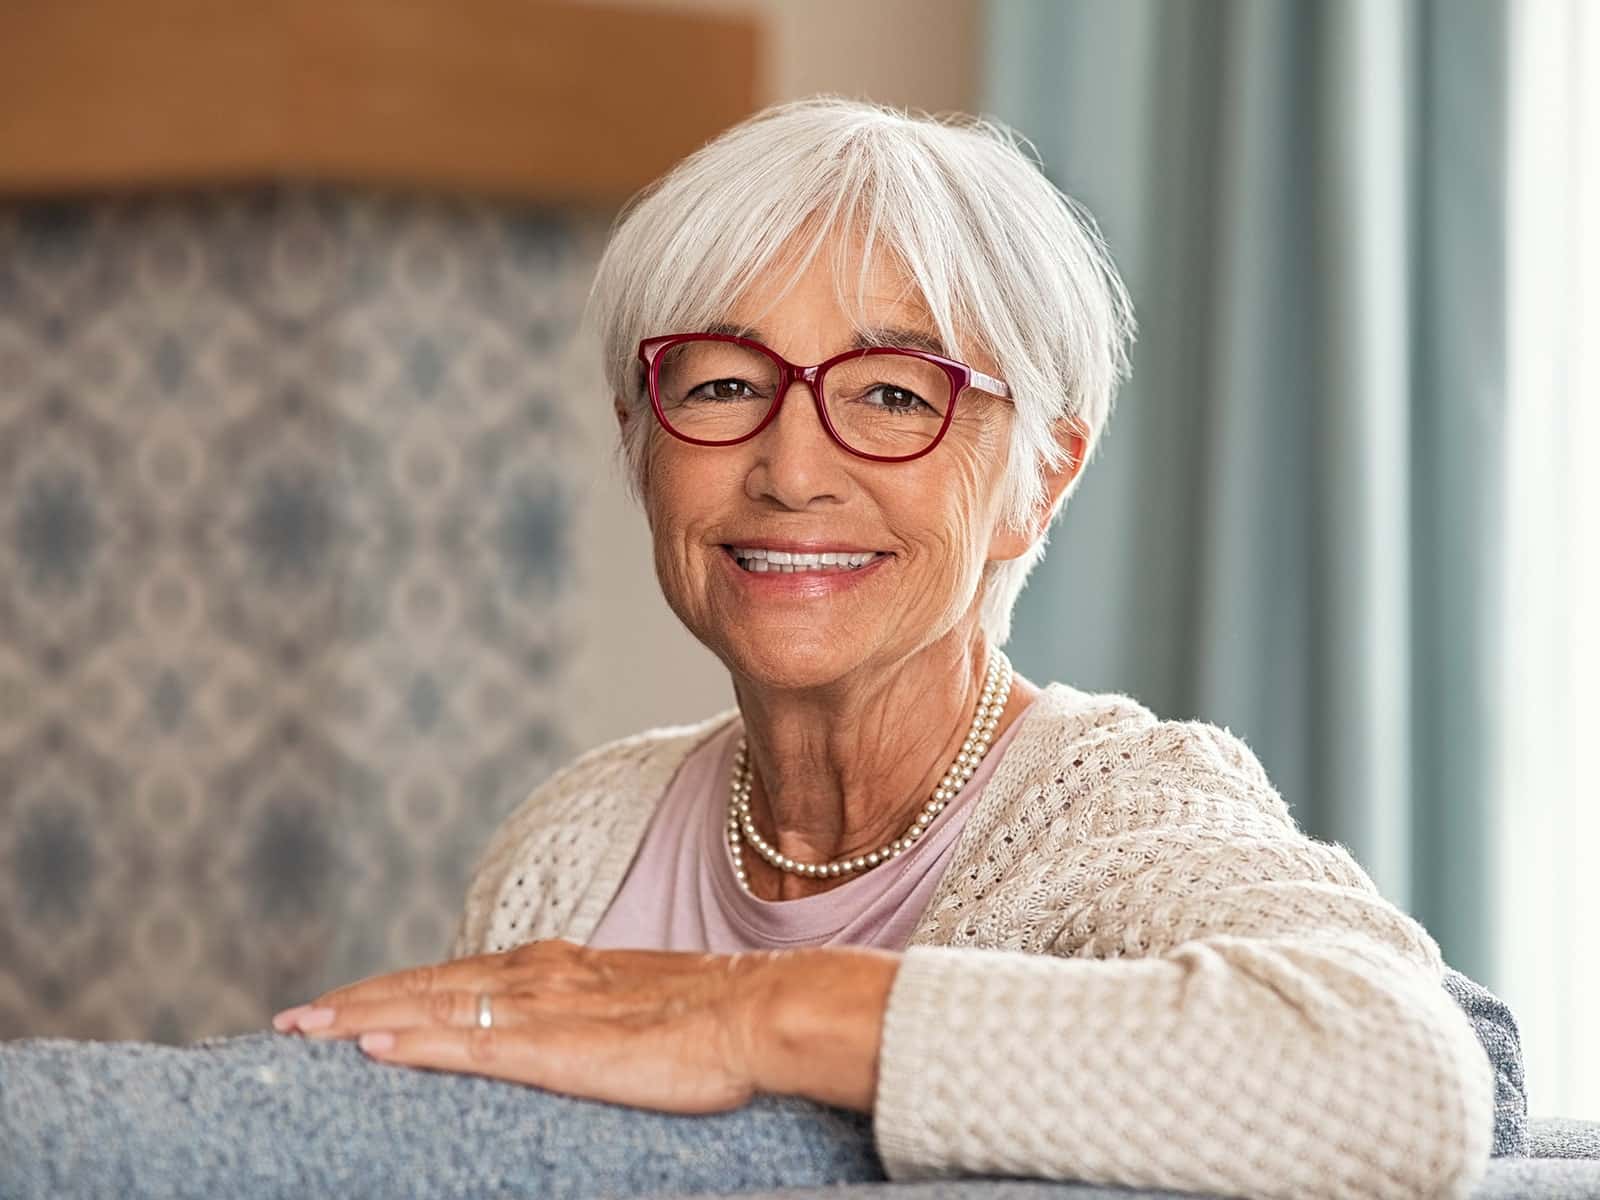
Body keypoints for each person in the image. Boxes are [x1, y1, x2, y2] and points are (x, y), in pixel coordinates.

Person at [3, 97, 1509, 1200]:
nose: (793, 467)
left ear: (1043, 470)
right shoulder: (577, 833)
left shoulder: (1114, 811)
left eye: (896, 393)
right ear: (640, 439)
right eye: (722, 384)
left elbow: (1409, 1075)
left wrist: (753, 1016)